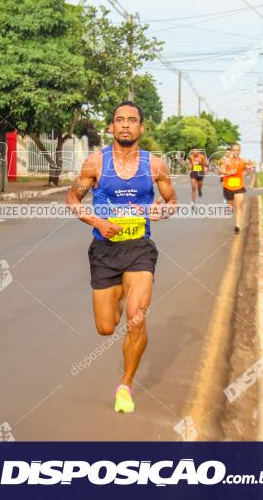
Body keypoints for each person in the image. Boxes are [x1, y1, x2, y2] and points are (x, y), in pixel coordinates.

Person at [66, 101, 177, 414]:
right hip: (104, 249)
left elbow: (171, 200)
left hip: (139, 248)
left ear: (142, 128)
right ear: (111, 128)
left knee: (136, 318)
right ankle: (118, 299)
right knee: (105, 327)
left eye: (132, 120)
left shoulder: (155, 165)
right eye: (119, 120)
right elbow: (72, 199)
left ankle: (125, 385)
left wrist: (162, 210)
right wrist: (97, 222)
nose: (126, 125)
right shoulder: (95, 163)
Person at [218, 143, 248, 234]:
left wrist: (245, 173)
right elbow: (220, 170)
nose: (236, 152)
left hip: (239, 186)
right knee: (231, 204)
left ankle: (238, 225)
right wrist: (229, 172)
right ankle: (229, 205)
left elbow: (245, 170)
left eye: (238, 150)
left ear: (240, 151)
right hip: (228, 186)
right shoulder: (225, 161)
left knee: (238, 206)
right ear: (231, 151)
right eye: (234, 150)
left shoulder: (243, 161)